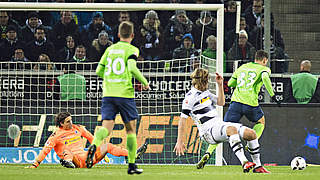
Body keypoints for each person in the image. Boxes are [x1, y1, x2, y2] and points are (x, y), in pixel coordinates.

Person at [173, 68, 270, 173]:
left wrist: (220, 85)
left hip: (219, 125)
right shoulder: (190, 97)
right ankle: (244, 162)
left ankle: (258, 166)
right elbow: (182, 119)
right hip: (208, 131)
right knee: (231, 129)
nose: (208, 83)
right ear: (202, 81)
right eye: (207, 81)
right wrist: (179, 141)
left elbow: (221, 102)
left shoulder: (206, 93)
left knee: (251, 133)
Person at [197, 50, 277, 172]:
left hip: (235, 103)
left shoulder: (242, 67)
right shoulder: (264, 69)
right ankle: (251, 145)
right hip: (250, 103)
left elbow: (230, 83)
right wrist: (272, 94)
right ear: (264, 60)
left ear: (255, 58)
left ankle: (208, 153)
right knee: (261, 122)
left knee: (224, 129)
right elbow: (265, 78)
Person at [86, 21, 149, 175]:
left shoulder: (110, 49)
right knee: (130, 130)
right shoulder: (132, 49)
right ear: (132, 35)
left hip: (108, 94)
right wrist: (145, 82)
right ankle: (132, 165)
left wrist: (110, 78)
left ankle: (94, 145)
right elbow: (132, 68)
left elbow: (98, 71)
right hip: (124, 94)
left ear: (119, 35)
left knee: (106, 129)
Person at [26, 112, 148, 169]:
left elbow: (92, 139)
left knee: (107, 146)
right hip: (76, 161)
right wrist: (35, 164)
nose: (71, 122)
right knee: (67, 151)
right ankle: (69, 163)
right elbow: (45, 150)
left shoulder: (78, 128)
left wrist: (102, 153)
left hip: (88, 158)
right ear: (61, 123)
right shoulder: (55, 135)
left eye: (71, 120)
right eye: (68, 121)